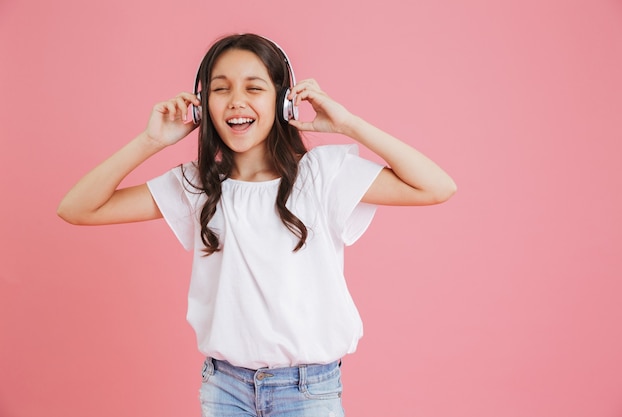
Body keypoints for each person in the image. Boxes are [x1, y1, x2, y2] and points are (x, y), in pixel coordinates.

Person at [57, 33, 457, 417]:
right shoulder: (196, 185)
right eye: (220, 89)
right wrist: (151, 141)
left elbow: (437, 186)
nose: (236, 101)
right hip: (224, 387)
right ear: (202, 105)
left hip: (308, 392)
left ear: (285, 101)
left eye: (253, 88)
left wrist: (349, 124)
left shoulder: (324, 175)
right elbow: (77, 208)